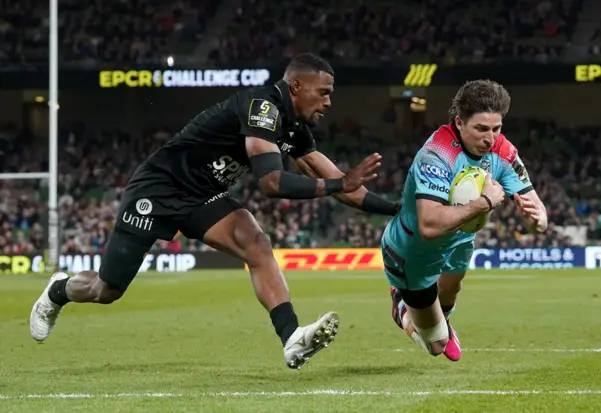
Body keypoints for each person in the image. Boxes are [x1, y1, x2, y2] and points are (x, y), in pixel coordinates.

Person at [30, 53, 400, 370]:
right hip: (159, 189)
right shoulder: (262, 108)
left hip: (202, 195)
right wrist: (339, 184)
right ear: (297, 87)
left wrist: (396, 210)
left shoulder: (295, 128)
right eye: (324, 93)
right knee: (106, 289)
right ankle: (59, 291)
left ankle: (292, 339)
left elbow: (340, 181)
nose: (329, 102)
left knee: (257, 244)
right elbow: (272, 184)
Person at [382, 79, 548, 360]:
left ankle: (438, 317)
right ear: (459, 122)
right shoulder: (437, 155)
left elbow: (540, 218)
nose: (490, 138)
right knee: (437, 346)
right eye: (481, 129)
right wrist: (485, 203)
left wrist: (533, 219)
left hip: (459, 240)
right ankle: (401, 303)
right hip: (414, 252)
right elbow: (430, 225)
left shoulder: (502, 150)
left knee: (453, 286)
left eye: (496, 128)